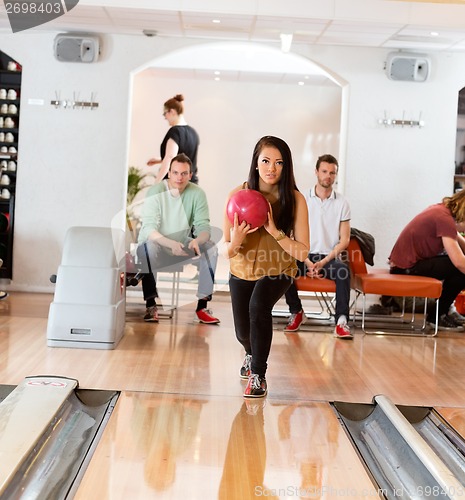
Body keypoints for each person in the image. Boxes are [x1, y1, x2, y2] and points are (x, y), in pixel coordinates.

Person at [223, 136, 309, 398]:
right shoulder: (237, 194)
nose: (272, 168)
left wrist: (276, 232)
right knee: (242, 332)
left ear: (286, 166)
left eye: (279, 162)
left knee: (258, 308)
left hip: (279, 269)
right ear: (256, 163)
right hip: (242, 269)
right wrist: (236, 240)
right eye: (266, 161)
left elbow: (303, 251)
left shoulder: (295, 199)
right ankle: (251, 353)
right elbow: (226, 249)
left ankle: (258, 374)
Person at [137, 153, 219, 324]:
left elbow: (204, 227)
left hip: (182, 244)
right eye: (175, 173)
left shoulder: (197, 193)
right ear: (169, 173)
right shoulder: (156, 191)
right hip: (158, 245)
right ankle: (151, 305)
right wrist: (170, 244)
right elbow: (149, 228)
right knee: (147, 247)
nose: (179, 177)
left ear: (190, 175)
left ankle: (202, 306)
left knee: (211, 248)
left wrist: (197, 241)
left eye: (184, 173)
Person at [284, 154, 352, 339]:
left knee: (343, 271)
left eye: (332, 173)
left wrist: (322, 262)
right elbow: (292, 235)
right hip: (303, 255)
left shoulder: (342, 203)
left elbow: (344, 240)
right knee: (282, 268)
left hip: (328, 258)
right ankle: (296, 311)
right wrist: (306, 261)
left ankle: (341, 321)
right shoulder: (301, 198)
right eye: (324, 171)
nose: (328, 176)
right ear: (316, 172)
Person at [389, 189, 465, 330]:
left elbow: (460, 243)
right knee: (459, 269)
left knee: (457, 267)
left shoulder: (442, 211)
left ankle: (443, 311)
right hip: (406, 268)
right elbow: (459, 262)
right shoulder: (444, 219)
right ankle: (437, 316)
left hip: (407, 265)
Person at [147, 94, 200, 184]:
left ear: (172, 111)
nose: (165, 117)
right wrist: (160, 159)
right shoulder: (193, 132)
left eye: (165, 113)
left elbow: (170, 158)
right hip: (191, 185)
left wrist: (156, 184)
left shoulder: (175, 132)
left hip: (177, 186)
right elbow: (183, 156)